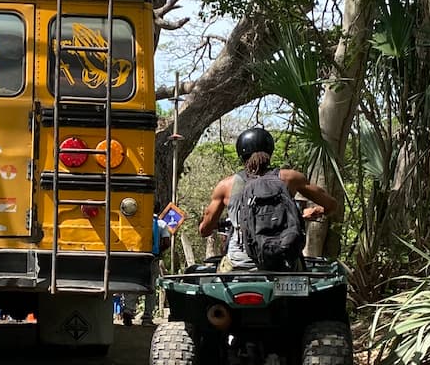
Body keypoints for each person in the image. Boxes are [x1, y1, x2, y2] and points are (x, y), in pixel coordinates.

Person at [198, 127, 339, 271]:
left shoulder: (226, 185)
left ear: (241, 154)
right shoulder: (290, 178)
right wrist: (317, 211)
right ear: (270, 151)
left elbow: (205, 230)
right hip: (283, 262)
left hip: (240, 263)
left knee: (218, 274)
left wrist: (206, 225)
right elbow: (331, 205)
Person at [120, 215, 171, 326]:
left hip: (135, 258)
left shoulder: (136, 220)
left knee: (133, 284)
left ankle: (128, 311)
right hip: (153, 258)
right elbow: (167, 242)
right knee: (151, 288)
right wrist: (158, 252)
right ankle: (147, 317)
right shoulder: (161, 224)